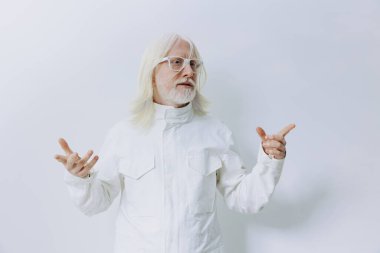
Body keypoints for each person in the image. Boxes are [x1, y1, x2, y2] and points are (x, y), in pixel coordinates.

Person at [54, 33, 295, 253]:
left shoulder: (215, 132)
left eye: (194, 65)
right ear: (151, 71)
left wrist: (270, 160)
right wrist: (80, 179)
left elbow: (245, 200)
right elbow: (96, 203)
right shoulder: (124, 134)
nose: (189, 72)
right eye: (177, 62)